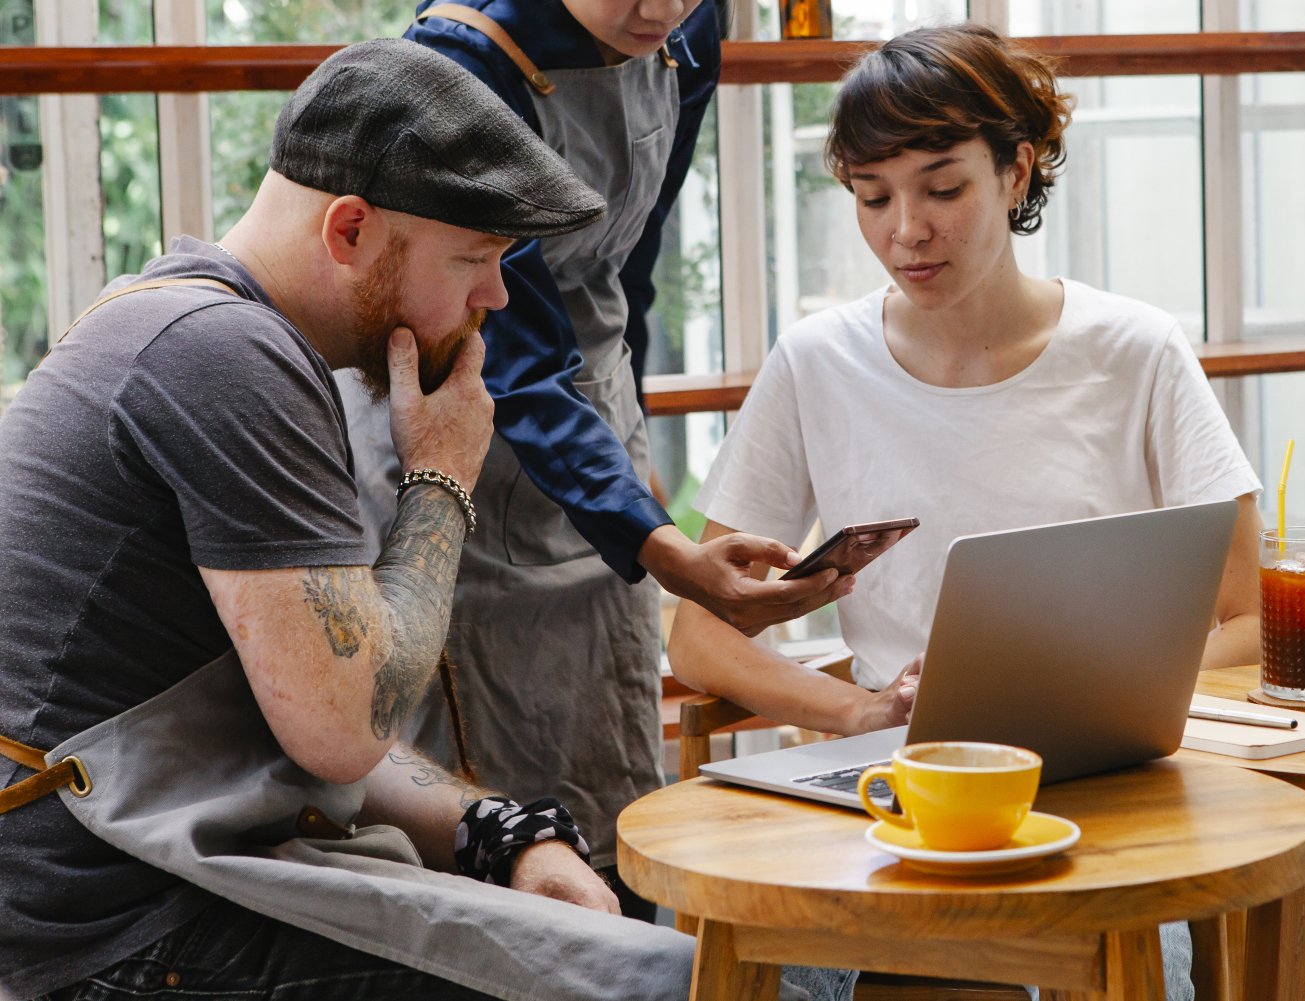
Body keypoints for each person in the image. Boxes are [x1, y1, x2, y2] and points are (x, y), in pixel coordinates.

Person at [0, 40, 812, 1001]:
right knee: (701, 983)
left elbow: (309, 701)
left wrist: (497, 832)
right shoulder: (222, 356)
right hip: (114, 924)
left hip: (153, 870)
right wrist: (442, 477)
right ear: (348, 230)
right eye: (473, 258)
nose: (497, 298)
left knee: (710, 963)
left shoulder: (180, 319)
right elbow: (344, 730)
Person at [668, 24, 1264, 996]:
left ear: (1016, 171)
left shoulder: (1138, 352)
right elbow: (698, 631)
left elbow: (1249, 620)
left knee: (1086, 945)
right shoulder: (816, 362)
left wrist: (1096, 703)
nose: (907, 229)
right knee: (859, 952)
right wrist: (860, 708)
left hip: (1095, 791)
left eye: (943, 188)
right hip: (895, 793)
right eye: (873, 197)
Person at [335, 0, 842, 913]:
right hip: (470, 402)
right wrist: (664, 545)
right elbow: (517, 351)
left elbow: (630, 264)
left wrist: (631, 468)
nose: (659, 9)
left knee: (607, 736)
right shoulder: (464, 60)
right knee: (491, 767)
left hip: (595, 403)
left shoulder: (690, 30)